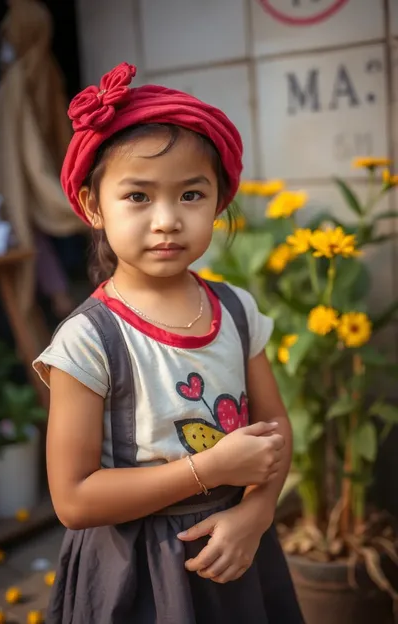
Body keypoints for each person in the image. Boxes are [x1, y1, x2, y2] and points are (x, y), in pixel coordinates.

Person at [33, 62, 304, 624]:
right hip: (137, 571)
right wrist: (212, 468)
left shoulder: (234, 309)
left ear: (218, 202)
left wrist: (254, 515)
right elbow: (73, 499)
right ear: (92, 205)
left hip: (236, 550)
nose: (166, 220)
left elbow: (275, 431)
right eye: (137, 196)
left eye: (190, 195)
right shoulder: (89, 340)